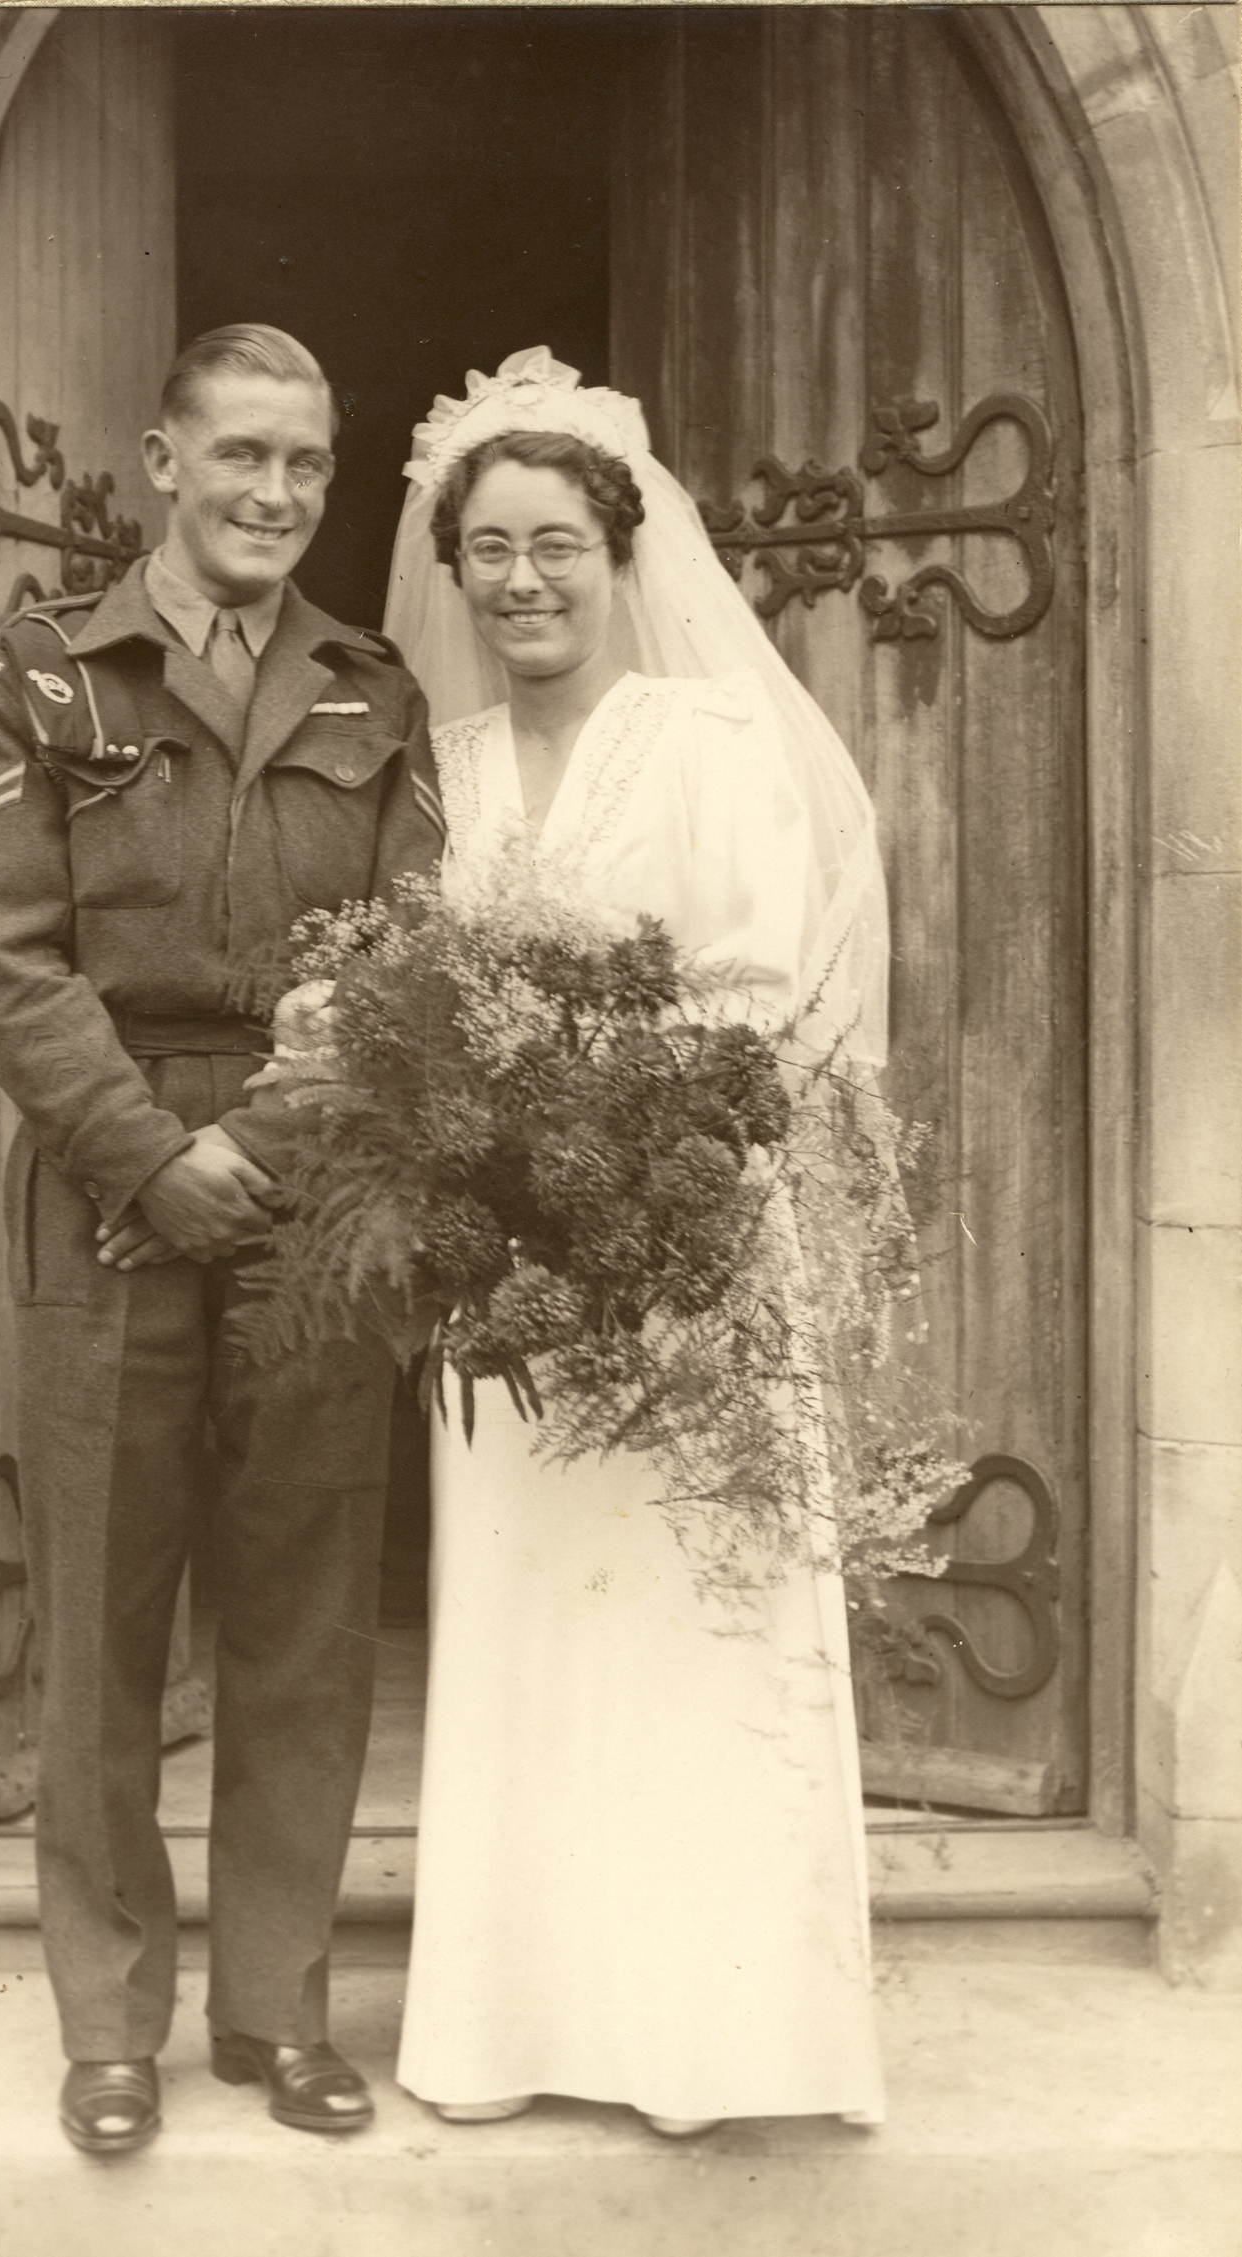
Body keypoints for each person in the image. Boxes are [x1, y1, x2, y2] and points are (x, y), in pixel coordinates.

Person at [383, 348, 890, 2133]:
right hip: (506, 1284)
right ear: (450, 570)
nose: (522, 581)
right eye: (489, 549)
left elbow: (754, 1002)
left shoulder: (713, 740)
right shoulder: (435, 767)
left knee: (686, 1617)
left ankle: (713, 2038)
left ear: (622, 550)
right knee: (533, 1622)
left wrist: (631, 1163)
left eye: (556, 544)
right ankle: (515, 2024)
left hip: (684, 1255)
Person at [0, 324, 443, 2155]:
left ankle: (277, 2009)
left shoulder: (369, 694)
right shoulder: (47, 676)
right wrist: (156, 1157)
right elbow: (8, 959)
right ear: (159, 459)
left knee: (307, 1616)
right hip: (106, 1192)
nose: (272, 495)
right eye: (239, 455)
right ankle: (108, 2019)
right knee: (100, 1615)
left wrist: (284, 1136)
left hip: (321, 1192)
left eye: (304, 466)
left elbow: (406, 954)